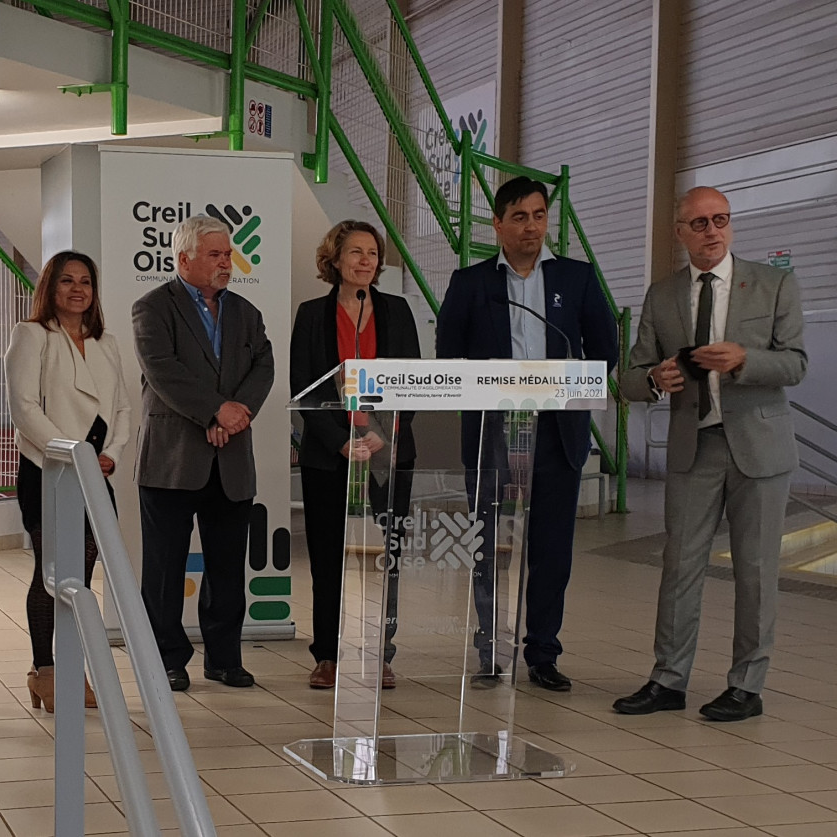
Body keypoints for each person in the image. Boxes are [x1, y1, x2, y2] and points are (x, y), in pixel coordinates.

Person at [613, 187, 807, 722]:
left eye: (720, 219)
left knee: (756, 569)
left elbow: (795, 364)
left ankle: (747, 684)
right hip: (692, 445)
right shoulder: (663, 294)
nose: (711, 230)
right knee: (679, 567)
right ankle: (667, 679)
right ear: (679, 232)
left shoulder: (773, 284)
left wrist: (745, 359)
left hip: (760, 447)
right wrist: (653, 379)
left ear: (731, 225)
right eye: (698, 223)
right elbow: (628, 378)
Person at [435, 176, 617, 691]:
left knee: (551, 548)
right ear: (497, 225)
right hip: (494, 432)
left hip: (557, 432)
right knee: (490, 545)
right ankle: (491, 649)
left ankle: (543, 653)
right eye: (519, 217)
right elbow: (449, 361)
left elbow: (606, 350)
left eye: (539, 215)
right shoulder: (470, 283)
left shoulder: (576, 279)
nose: (531, 226)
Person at [132, 215, 275, 692]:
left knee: (226, 566)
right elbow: (162, 371)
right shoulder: (152, 308)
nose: (225, 262)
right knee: (166, 569)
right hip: (172, 458)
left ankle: (224, 658)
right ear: (184, 259)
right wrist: (215, 411)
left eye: (227, 253)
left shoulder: (245, 313)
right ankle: (168, 659)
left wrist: (237, 414)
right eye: (214, 254)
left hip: (230, 459)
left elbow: (263, 365)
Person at [290, 221, 420, 690]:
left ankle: (379, 652)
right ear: (335, 259)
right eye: (355, 252)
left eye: (372, 253)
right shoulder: (311, 315)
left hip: (387, 452)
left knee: (384, 556)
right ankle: (326, 654)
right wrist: (340, 441)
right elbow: (302, 390)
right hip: (331, 455)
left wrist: (382, 434)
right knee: (328, 558)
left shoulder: (398, 311)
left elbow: (412, 381)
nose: (366, 261)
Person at [4, 251, 131, 712]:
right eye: (66, 281)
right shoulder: (32, 335)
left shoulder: (107, 343)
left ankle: (75, 667)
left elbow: (121, 409)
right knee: (52, 573)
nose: (77, 290)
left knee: (83, 576)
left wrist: (111, 454)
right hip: (48, 470)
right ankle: (47, 672)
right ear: (50, 289)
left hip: (97, 474)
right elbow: (24, 408)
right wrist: (71, 453)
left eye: (85, 282)